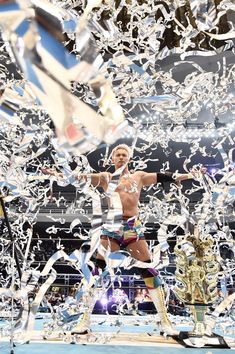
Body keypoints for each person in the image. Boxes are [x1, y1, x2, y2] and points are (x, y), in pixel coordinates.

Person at [42, 143, 204, 336]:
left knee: (148, 271)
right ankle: (84, 321)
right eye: (117, 154)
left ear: (129, 158)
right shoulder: (106, 177)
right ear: (112, 158)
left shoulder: (139, 176)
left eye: (123, 154)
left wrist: (191, 175)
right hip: (111, 229)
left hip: (132, 228)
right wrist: (56, 174)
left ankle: (165, 322)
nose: (120, 157)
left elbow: (166, 176)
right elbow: (77, 178)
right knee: (97, 274)